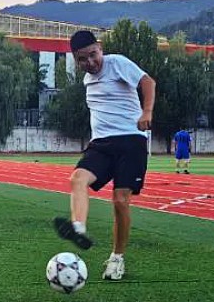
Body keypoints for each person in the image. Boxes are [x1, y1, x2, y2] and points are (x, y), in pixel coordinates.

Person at [52, 30, 156, 282]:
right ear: (76, 60)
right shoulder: (87, 80)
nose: (90, 62)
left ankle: (117, 258)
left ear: (100, 48)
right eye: (82, 59)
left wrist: (146, 112)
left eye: (93, 55)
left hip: (131, 140)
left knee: (120, 201)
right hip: (101, 143)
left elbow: (148, 82)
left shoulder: (117, 63)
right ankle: (78, 229)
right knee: (77, 179)